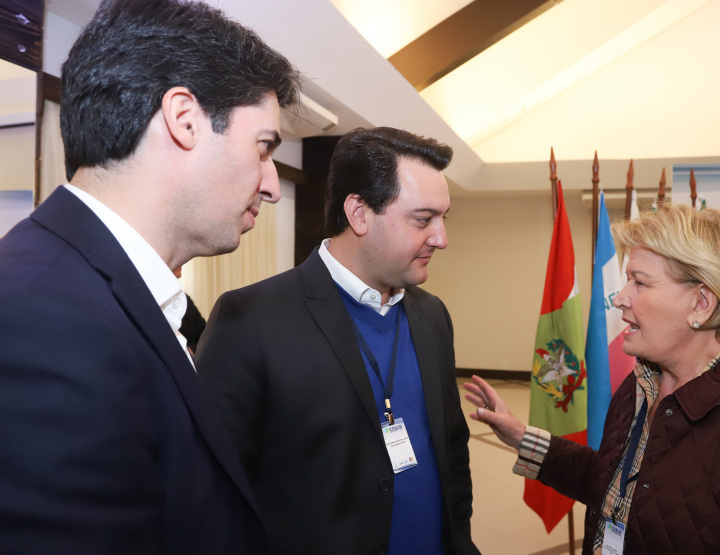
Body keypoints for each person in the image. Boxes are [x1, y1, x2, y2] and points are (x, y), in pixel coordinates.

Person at [0, 1, 301, 553]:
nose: (272, 185)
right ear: (184, 120)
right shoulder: (45, 319)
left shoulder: (110, 293)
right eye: (263, 149)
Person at [466, 205, 720, 554]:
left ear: (702, 303)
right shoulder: (639, 386)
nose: (621, 297)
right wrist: (523, 438)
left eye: (640, 282)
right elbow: (618, 485)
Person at [196, 127, 481, 555]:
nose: (441, 238)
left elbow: (453, 452)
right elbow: (214, 495)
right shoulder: (251, 320)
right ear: (359, 213)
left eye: (443, 219)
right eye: (423, 220)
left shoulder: (432, 315)